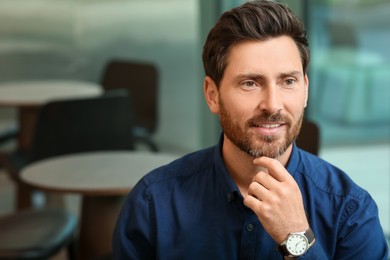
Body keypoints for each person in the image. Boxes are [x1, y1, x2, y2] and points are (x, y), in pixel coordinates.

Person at [112, 1, 389, 259]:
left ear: (305, 90)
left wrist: (296, 238)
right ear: (212, 95)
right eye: (250, 83)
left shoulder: (350, 210)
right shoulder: (153, 204)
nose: (272, 104)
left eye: (288, 81)